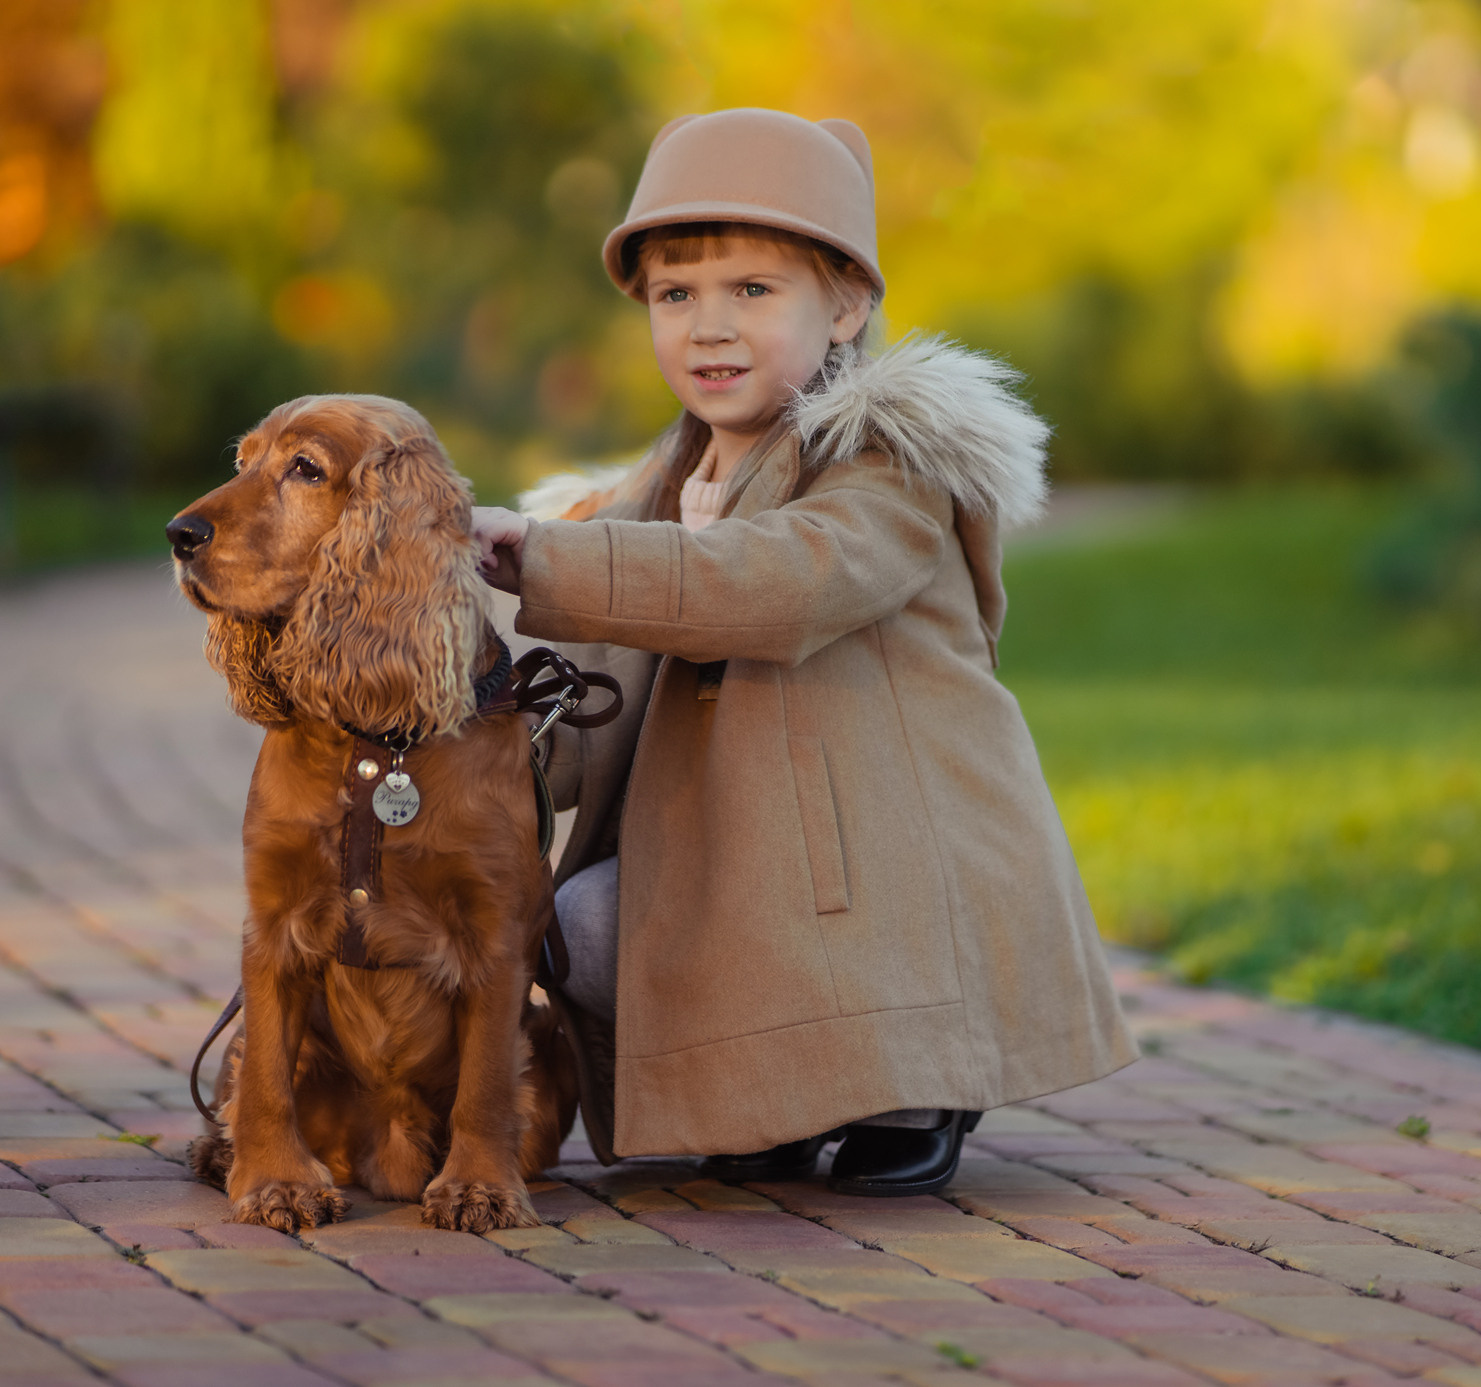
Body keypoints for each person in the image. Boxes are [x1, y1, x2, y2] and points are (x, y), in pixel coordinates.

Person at [471, 107, 1130, 1196]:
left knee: (812, 891)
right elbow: (594, 709)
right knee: (582, 919)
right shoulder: (643, 497)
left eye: (752, 291)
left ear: (847, 306)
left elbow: (776, 581)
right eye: (676, 296)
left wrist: (555, 560)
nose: (708, 328)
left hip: (882, 856)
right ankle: (765, 1092)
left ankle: (911, 1086)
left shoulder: (888, 466)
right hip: (749, 851)